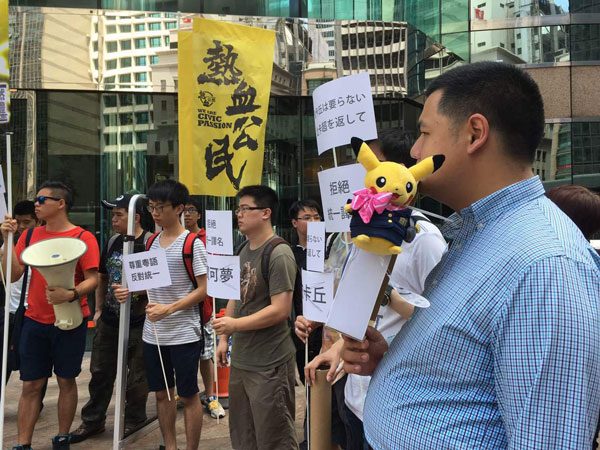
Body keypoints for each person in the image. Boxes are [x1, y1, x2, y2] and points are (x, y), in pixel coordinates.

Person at [341, 61, 600, 449]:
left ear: (475, 133)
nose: (414, 151)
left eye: (425, 133)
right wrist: (398, 361)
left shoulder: (546, 266)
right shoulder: (480, 235)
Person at [300, 130, 447, 450]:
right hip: (355, 395)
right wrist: (334, 348)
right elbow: (357, 307)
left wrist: (388, 295)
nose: (367, 175)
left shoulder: (424, 238)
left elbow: (438, 321)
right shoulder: (363, 231)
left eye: (375, 165)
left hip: (396, 403)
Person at [1, 182, 100, 450]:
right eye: (37, 199)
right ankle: (23, 443)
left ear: (61, 203)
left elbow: (93, 279)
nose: (37, 204)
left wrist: (71, 294)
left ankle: (62, 436)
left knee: (66, 379)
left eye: (43, 199)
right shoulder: (29, 236)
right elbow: (13, 275)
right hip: (34, 320)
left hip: (70, 320)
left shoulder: (83, 238)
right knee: (31, 383)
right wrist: (8, 242)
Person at [114, 180, 207, 450]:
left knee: (188, 395)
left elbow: (203, 290)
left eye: (161, 207)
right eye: (152, 207)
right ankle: (170, 445)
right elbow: (148, 282)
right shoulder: (152, 241)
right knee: (162, 394)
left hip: (183, 332)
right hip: (153, 334)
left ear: (178, 208)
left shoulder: (191, 244)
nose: (155, 213)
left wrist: (170, 308)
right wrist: (128, 291)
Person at [213, 185, 298, 450]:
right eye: (238, 209)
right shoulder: (242, 250)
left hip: (270, 363)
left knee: (274, 437)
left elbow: (280, 309)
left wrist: (234, 325)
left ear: (265, 213)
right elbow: (234, 297)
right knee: (243, 434)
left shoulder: (279, 253)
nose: (239, 214)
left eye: (245, 209)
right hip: (242, 360)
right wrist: (224, 338)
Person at [70, 194, 151, 442]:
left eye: (119, 214)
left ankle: (135, 419)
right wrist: (99, 307)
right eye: (113, 214)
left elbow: (158, 285)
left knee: (137, 378)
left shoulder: (150, 244)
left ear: (135, 217)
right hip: (110, 319)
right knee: (100, 372)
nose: (113, 219)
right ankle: (93, 421)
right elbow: (103, 276)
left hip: (139, 322)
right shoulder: (113, 241)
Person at [182, 198, 226, 420]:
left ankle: (210, 396)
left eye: (192, 210)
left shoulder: (208, 239)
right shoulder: (170, 239)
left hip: (204, 308)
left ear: (199, 215)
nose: (187, 214)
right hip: (178, 310)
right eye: (185, 210)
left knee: (205, 355)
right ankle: (185, 394)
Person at [288, 199, 323, 384]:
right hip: (302, 326)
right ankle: (310, 413)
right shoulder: (289, 254)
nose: (314, 222)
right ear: (295, 223)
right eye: (307, 218)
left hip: (326, 327)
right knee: (307, 376)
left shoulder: (330, 250)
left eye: (317, 217)